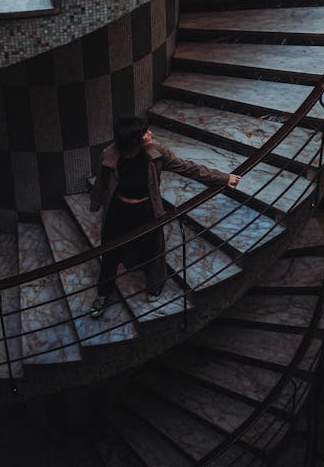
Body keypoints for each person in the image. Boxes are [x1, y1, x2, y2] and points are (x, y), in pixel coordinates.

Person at [89, 116, 241, 317]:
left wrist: (223, 178)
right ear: (134, 139)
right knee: (110, 254)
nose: (150, 134)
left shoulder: (156, 152)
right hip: (119, 211)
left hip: (147, 210)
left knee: (154, 249)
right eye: (145, 132)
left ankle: (155, 285)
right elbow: (101, 183)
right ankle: (104, 293)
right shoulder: (109, 155)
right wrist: (96, 204)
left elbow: (187, 167)